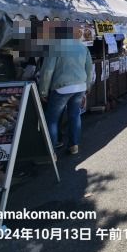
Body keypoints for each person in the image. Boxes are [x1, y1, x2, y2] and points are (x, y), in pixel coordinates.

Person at [38, 23, 93, 155]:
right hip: (80, 86)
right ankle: (74, 145)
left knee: (52, 119)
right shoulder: (83, 47)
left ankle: (52, 151)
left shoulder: (55, 47)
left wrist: (43, 91)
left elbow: (47, 71)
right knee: (74, 116)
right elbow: (89, 69)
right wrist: (87, 87)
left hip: (62, 87)